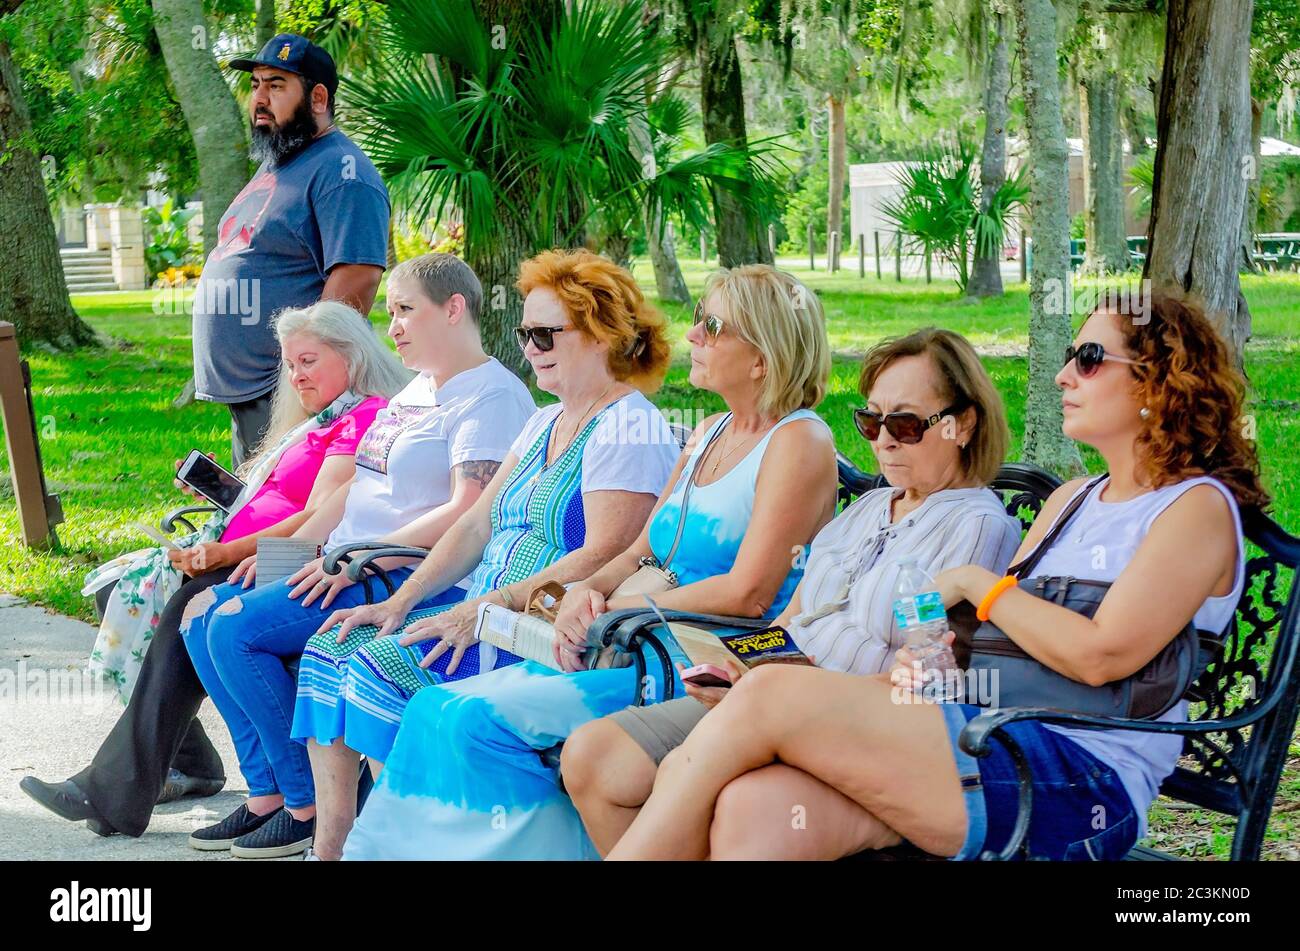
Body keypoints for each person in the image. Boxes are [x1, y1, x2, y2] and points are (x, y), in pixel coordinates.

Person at [606, 295, 1265, 861]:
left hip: (1077, 781)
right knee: (759, 808)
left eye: (1089, 359)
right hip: (985, 738)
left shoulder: (1194, 509)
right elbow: (981, 647)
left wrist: (979, 584)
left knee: (773, 693)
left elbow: (1101, 656)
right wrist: (911, 667)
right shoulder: (1071, 501)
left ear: (1159, 381)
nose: (1064, 375)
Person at [339, 263, 840, 861]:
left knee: (471, 718)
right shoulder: (710, 430)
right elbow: (637, 550)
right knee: (435, 708)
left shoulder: (798, 440)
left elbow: (748, 594)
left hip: (691, 655)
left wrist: (619, 606)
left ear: (762, 356)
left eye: (713, 326)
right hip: (628, 633)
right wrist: (587, 594)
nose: (694, 336)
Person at [563, 327, 1022, 855]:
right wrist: (743, 667)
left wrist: (789, 695)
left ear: (962, 424)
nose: (884, 440)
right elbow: (792, 619)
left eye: (907, 424)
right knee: (593, 757)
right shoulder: (873, 507)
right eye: (871, 421)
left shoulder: (976, 527)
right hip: (770, 696)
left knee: (705, 786)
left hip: (852, 724)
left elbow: (928, 674)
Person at [294, 248, 682, 860]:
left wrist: (489, 609)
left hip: (545, 622)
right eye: (525, 332)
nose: (529, 346)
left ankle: (428, 837)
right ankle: (339, 844)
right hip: (486, 608)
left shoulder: (627, 426)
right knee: (332, 647)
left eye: (546, 332)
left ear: (602, 331)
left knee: (377, 671)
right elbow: (474, 524)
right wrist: (402, 599)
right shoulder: (544, 421)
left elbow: (610, 553)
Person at [178, 252, 537, 859]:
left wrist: (356, 557)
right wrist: (286, 551)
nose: (391, 325)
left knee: (236, 631)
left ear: (453, 309)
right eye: (390, 309)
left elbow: (466, 511)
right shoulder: (419, 389)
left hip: (401, 571)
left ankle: (303, 807)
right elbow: (355, 490)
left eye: (405, 310)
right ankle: (269, 793)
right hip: (342, 557)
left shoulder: (490, 397)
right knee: (200, 617)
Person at [18, 298, 406, 838]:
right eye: (290, 364)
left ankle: (114, 790)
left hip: (276, 562)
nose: (296, 376)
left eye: (309, 361)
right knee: (118, 592)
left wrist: (228, 553)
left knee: (186, 607)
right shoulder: (319, 419)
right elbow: (269, 496)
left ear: (353, 356)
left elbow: (315, 520)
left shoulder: (360, 417)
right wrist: (220, 492)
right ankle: (194, 763)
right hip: (239, 548)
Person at [194, 33, 390, 466]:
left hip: (290, 384)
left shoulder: (343, 171)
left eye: (276, 86)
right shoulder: (282, 163)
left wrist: (305, 372)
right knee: (259, 503)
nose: (259, 98)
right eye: (256, 85)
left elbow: (357, 276)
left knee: (289, 512)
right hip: (259, 386)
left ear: (318, 97)